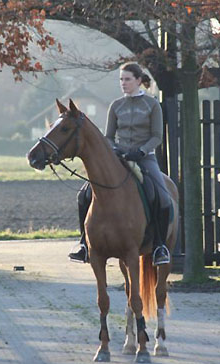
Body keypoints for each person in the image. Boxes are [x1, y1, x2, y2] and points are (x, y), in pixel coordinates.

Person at [68, 62, 171, 266]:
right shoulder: (116, 105)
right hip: (119, 159)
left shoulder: (152, 105)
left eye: (127, 79)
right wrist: (117, 150)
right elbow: (108, 137)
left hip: (145, 158)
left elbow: (157, 136)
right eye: (121, 80)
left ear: (138, 81)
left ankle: (159, 246)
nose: (123, 83)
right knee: (84, 195)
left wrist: (141, 150)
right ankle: (83, 244)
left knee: (162, 196)